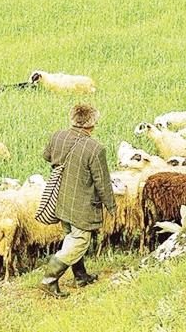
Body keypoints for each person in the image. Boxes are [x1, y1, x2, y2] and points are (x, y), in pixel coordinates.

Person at [39, 103, 116, 298]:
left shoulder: (58, 136)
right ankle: (49, 279)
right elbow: (102, 182)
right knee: (79, 240)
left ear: (72, 118)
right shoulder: (95, 149)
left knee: (70, 237)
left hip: (60, 199)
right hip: (81, 204)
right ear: (92, 124)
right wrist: (112, 207)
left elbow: (47, 156)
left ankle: (80, 276)